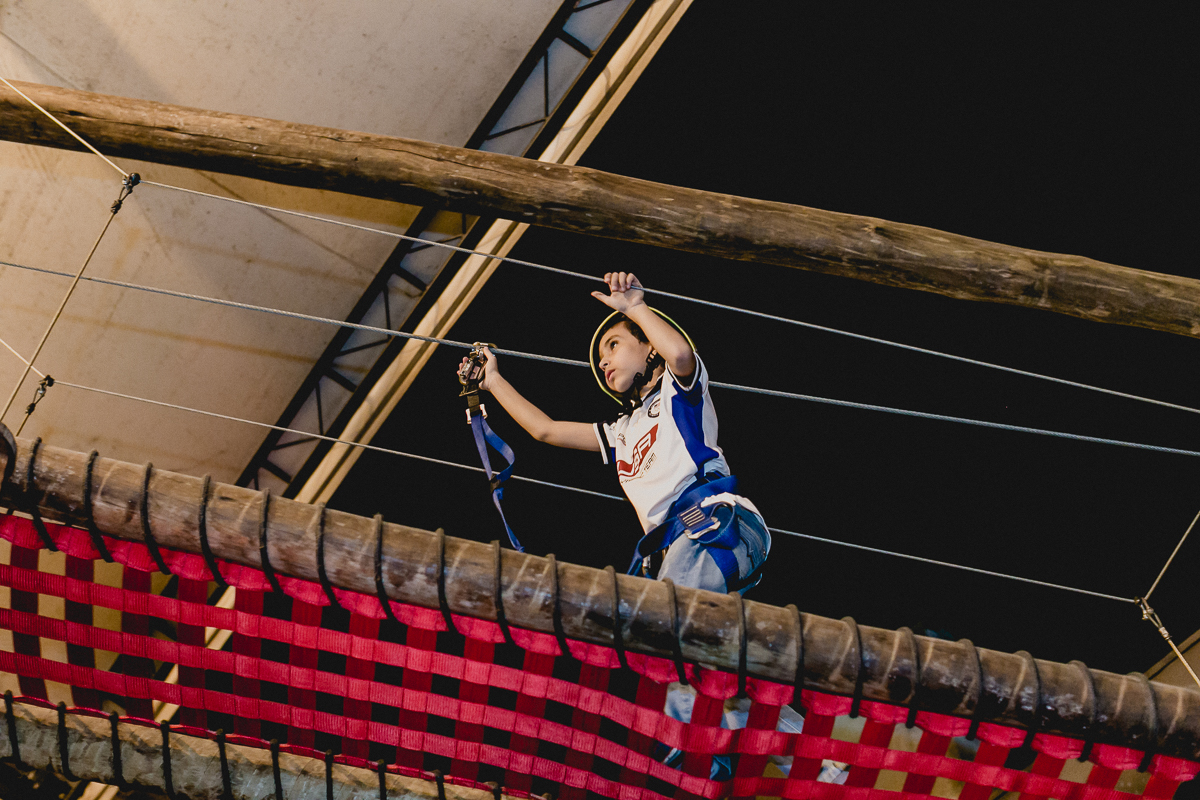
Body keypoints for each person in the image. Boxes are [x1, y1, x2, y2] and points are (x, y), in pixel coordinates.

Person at [462, 271, 769, 594]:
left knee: (660, 626)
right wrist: (492, 382)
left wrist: (635, 308)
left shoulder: (676, 392)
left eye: (613, 346)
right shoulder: (621, 430)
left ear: (650, 347)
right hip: (680, 548)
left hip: (712, 524)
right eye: (601, 358)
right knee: (663, 631)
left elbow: (678, 355)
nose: (605, 362)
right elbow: (545, 430)